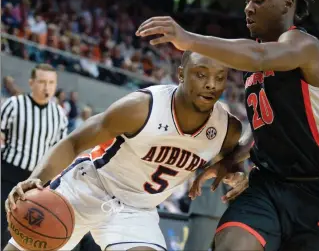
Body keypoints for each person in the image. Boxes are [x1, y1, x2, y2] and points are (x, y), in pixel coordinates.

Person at [136, 0, 319, 251]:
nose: (249, 8)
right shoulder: (254, 60)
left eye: (260, 0)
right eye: (247, 0)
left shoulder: (305, 47)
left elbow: (259, 55)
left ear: (288, 4)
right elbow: (270, 126)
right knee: (233, 244)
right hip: (268, 185)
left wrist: (188, 38)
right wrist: (234, 156)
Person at [4, 52, 253, 251]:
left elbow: (230, 161)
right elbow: (74, 142)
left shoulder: (226, 128)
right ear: (181, 74)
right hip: (89, 187)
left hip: (137, 209)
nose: (211, 84)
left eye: (220, 77)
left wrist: (235, 172)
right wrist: (34, 179)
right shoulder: (142, 108)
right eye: (201, 74)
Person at [1, 64, 68, 249]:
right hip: (8, 174)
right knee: (2, 227)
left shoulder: (59, 115)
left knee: (26, 235)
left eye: (51, 82)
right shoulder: (14, 105)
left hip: (38, 182)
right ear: (31, 83)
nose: (47, 87)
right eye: (42, 82)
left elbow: (60, 151)